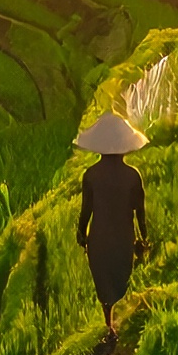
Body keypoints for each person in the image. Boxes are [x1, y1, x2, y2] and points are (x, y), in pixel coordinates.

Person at [74, 112, 150, 336]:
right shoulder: (132, 176)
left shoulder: (91, 175)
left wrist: (81, 232)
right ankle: (113, 324)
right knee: (120, 275)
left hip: (99, 237)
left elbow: (86, 209)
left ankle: (109, 322)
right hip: (123, 236)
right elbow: (140, 212)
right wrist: (144, 237)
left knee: (104, 276)